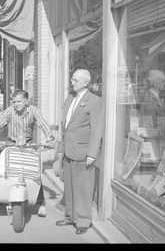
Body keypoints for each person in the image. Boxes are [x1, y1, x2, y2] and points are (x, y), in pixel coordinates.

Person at [0, 89, 56, 217]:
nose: (16, 104)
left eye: (19, 101)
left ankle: (41, 202)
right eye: (14, 102)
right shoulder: (10, 111)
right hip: (11, 142)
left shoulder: (33, 111)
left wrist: (50, 139)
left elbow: (43, 124)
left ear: (26, 101)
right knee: (1, 162)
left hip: (28, 143)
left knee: (34, 171)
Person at [55, 69, 103, 235]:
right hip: (69, 151)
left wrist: (92, 153)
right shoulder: (69, 100)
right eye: (72, 79)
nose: (72, 82)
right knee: (69, 186)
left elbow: (97, 130)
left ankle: (83, 221)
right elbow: (65, 127)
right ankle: (69, 215)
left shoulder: (95, 101)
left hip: (84, 152)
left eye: (75, 80)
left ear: (85, 83)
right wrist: (61, 150)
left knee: (83, 188)